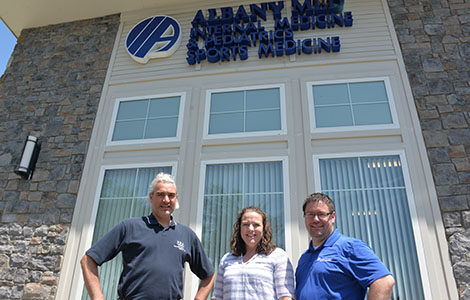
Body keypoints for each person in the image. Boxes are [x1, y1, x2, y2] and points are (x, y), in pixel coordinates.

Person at [80, 172, 215, 300]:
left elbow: (209, 275)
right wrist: (97, 297)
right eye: (160, 194)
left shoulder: (187, 235)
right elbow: (88, 260)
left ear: (176, 199)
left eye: (171, 195)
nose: (166, 199)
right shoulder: (129, 227)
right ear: (151, 197)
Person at [296, 193, 395, 300]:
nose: (315, 219)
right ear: (305, 217)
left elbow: (384, 282)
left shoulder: (350, 247)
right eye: (310, 214)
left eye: (321, 214)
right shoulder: (304, 258)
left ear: (332, 217)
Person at [211, 206, 295, 300]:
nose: (251, 229)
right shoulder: (226, 259)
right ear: (239, 228)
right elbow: (217, 297)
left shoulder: (278, 256)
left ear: (264, 229)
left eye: (256, 225)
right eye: (246, 224)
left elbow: (285, 296)